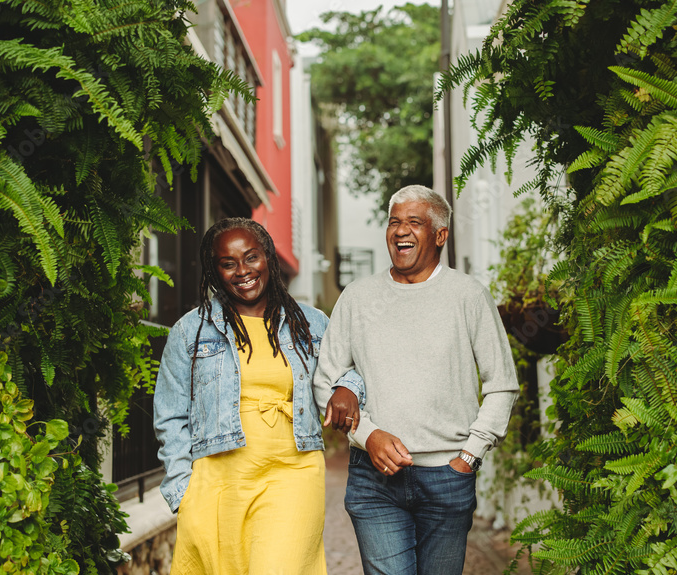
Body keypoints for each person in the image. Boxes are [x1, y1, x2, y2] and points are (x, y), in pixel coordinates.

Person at [314, 185, 519, 574]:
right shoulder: (358, 297)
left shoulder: (468, 296)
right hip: (373, 481)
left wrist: (469, 456)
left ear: (440, 235)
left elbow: (501, 383)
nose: (401, 231)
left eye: (414, 222)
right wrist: (369, 435)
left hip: (448, 477)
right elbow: (326, 380)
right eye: (394, 222)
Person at [153, 217, 364, 575]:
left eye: (251, 257)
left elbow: (349, 371)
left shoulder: (311, 324)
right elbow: (170, 416)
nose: (242, 271)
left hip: (292, 472)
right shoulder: (190, 330)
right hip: (217, 482)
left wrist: (348, 387)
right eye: (228, 263)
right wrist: (182, 491)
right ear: (214, 270)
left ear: (268, 257)